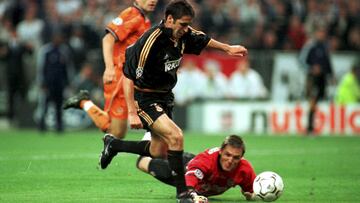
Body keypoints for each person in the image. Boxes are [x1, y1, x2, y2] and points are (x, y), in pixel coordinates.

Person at [99, 0, 248, 202]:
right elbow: (128, 76)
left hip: (165, 96)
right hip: (145, 97)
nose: (186, 29)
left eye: (188, 24)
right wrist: (133, 111)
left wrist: (228, 48)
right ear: (169, 20)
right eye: (183, 24)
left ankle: (113, 145)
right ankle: (183, 194)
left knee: (157, 150)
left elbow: (203, 39)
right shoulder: (150, 42)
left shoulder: (183, 33)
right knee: (176, 137)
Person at [63, 0, 158, 138]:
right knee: (116, 132)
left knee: (119, 131)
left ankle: (84, 102)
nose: (153, 0)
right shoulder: (131, 14)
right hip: (119, 77)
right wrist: (109, 68)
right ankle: (84, 103)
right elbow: (107, 39)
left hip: (132, 78)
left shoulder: (145, 20)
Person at [137, 135, 258, 201]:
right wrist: (193, 195)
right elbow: (190, 179)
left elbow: (252, 191)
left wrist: (251, 196)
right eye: (227, 155)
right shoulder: (207, 161)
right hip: (182, 169)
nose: (230, 160)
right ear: (221, 152)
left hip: (198, 179)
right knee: (141, 162)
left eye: (236, 157)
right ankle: (151, 135)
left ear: (242, 157)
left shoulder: (244, 169)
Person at [299, 25, 334, 134]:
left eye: (323, 33)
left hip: (322, 78)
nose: (321, 35)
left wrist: (331, 75)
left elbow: (328, 62)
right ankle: (309, 127)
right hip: (312, 78)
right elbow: (301, 60)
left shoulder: (324, 47)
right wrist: (311, 69)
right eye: (320, 32)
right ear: (316, 34)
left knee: (319, 100)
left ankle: (319, 125)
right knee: (312, 101)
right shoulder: (310, 46)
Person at [37, 33, 73, 133]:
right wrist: (42, 82)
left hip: (60, 84)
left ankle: (59, 125)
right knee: (44, 105)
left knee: (59, 105)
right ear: (52, 39)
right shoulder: (46, 51)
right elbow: (41, 68)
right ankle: (41, 125)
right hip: (48, 84)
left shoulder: (64, 51)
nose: (58, 40)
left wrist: (68, 82)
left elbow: (67, 68)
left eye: (60, 38)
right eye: (56, 38)